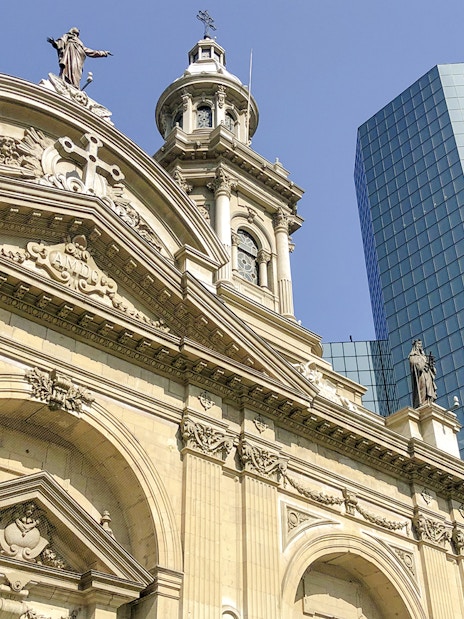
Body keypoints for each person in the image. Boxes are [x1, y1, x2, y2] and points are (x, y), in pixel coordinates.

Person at [47, 28, 112, 89]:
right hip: (70, 54)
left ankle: (75, 86)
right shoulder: (68, 36)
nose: (78, 30)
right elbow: (61, 42)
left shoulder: (80, 43)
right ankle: (67, 83)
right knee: (70, 68)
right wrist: (54, 43)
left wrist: (103, 53)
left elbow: (90, 51)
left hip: (79, 57)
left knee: (76, 71)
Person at [408, 339, 437, 408]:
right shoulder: (413, 356)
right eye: (419, 344)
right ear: (415, 346)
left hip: (428, 375)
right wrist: (423, 363)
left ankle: (429, 401)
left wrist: (431, 365)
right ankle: (423, 402)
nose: (420, 346)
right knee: (423, 389)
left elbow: (433, 370)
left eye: (421, 344)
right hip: (421, 376)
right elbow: (415, 365)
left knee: (429, 389)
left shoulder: (424, 356)